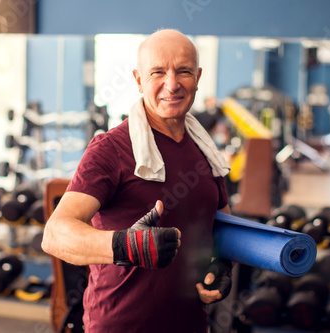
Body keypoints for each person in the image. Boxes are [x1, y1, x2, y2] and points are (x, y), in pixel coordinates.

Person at [42, 29, 233, 333]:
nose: (172, 84)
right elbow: (55, 235)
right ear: (139, 79)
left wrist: (222, 265)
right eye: (158, 72)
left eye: (183, 71)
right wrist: (125, 246)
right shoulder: (111, 149)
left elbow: (222, 223)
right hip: (119, 325)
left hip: (191, 325)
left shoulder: (205, 149)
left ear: (197, 77)